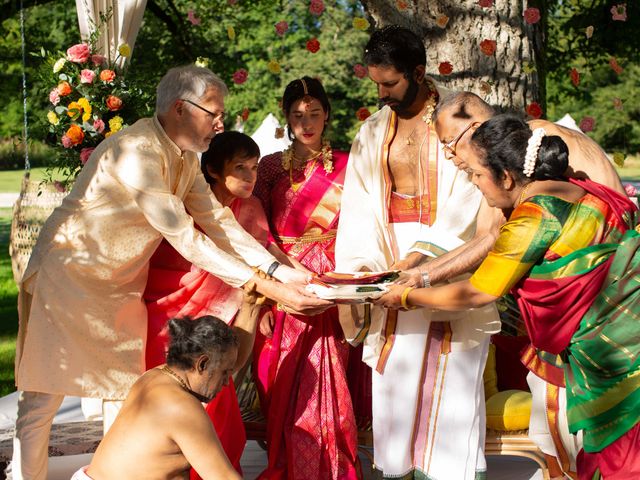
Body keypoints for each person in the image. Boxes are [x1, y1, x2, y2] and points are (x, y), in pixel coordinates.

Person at [12, 65, 330, 480]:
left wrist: (280, 272)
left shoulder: (185, 155)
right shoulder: (136, 151)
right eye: (213, 113)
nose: (220, 123)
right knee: (42, 400)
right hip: (70, 275)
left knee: (124, 397)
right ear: (182, 108)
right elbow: (184, 236)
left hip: (122, 288)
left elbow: (216, 219)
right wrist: (261, 283)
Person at [375, 114, 640, 480]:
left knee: (602, 458)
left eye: (477, 174)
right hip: (625, 336)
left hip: (600, 358)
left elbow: (477, 292)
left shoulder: (534, 217)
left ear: (507, 176)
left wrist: (406, 298)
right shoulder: (582, 190)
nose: (475, 183)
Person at [335, 27, 500, 479]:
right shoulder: (371, 131)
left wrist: (424, 257)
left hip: (449, 257)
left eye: (390, 83)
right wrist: (365, 270)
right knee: (395, 381)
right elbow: (358, 202)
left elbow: (476, 190)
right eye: (376, 84)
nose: (382, 93)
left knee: (454, 379)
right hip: (389, 258)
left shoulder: (459, 121)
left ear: (419, 72)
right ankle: (397, 471)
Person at [143, 131, 295, 477]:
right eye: (239, 167)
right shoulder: (185, 208)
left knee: (219, 406)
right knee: (175, 401)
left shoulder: (252, 207)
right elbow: (171, 269)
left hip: (226, 319)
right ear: (211, 169)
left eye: (254, 168)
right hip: (172, 320)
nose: (249, 177)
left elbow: (264, 258)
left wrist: (282, 297)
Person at [253, 76, 361, 479]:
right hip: (283, 282)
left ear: (327, 114)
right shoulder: (266, 169)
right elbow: (256, 234)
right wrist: (264, 298)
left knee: (331, 377)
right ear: (286, 119)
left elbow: (364, 229)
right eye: (298, 115)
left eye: (314, 113)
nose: (306, 122)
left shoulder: (351, 166)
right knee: (281, 385)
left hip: (332, 283)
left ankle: (332, 468)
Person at [76, 315, 249, 479]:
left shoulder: (154, 376)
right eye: (224, 372)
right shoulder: (181, 408)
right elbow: (223, 477)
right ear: (202, 364)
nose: (227, 382)